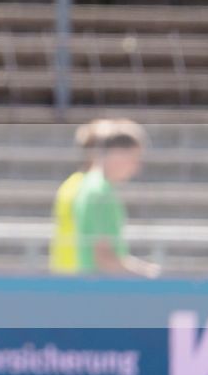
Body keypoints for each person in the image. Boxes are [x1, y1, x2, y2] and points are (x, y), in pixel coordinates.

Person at [49, 118, 160, 278]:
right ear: (117, 154)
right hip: (93, 288)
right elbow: (103, 256)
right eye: (134, 159)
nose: (137, 168)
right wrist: (145, 274)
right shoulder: (97, 192)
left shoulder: (93, 187)